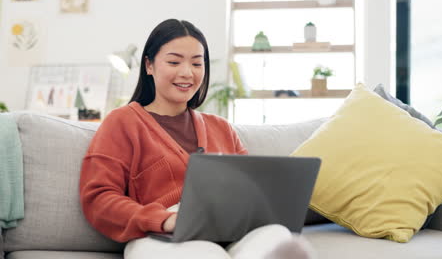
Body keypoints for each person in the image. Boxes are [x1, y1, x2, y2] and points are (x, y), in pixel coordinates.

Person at [79, 19, 315, 259]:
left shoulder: (222, 128)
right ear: (149, 65)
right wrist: (165, 219)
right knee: (206, 254)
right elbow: (99, 198)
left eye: (196, 63)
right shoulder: (122, 122)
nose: (187, 72)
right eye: (174, 62)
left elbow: (250, 192)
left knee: (278, 235)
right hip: (160, 235)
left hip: (229, 230)